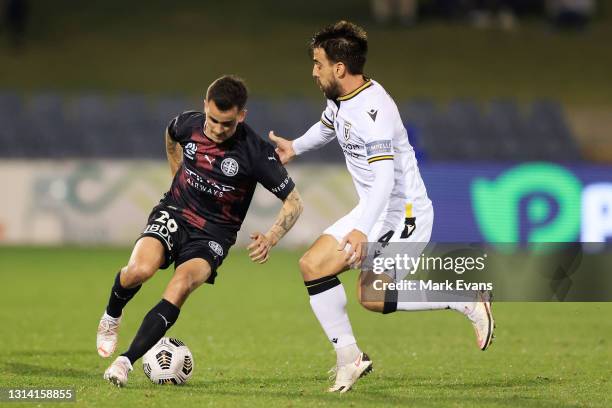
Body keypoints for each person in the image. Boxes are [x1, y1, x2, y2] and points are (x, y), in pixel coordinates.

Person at [270, 21, 495, 393]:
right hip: (375, 208)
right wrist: (296, 146)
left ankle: (464, 298)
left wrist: (361, 230)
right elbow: (328, 126)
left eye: (318, 63)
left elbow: (386, 179)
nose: (314, 71)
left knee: (371, 296)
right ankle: (351, 359)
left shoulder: (373, 111)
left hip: (405, 213)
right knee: (311, 266)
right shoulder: (341, 98)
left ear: (339, 68)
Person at [97, 75, 303, 387]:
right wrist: (175, 177)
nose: (219, 129)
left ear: (242, 116)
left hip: (214, 235)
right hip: (176, 213)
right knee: (139, 270)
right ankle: (112, 315)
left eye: (228, 123)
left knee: (180, 286)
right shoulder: (187, 125)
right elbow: (170, 135)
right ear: (204, 106)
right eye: (213, 119)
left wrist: (271, 237)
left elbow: (294, 202)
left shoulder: (255, 152)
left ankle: (125, 362)